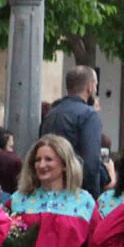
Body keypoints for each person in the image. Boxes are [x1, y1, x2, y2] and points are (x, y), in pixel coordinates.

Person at [39, 65, 108, 195]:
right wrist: (92, 195)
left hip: (50, 188)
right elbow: (91, 163)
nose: (95, 90)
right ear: (89, 86)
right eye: (95, 85)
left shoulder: (51, 114)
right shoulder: (89, 115)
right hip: (76, 191)